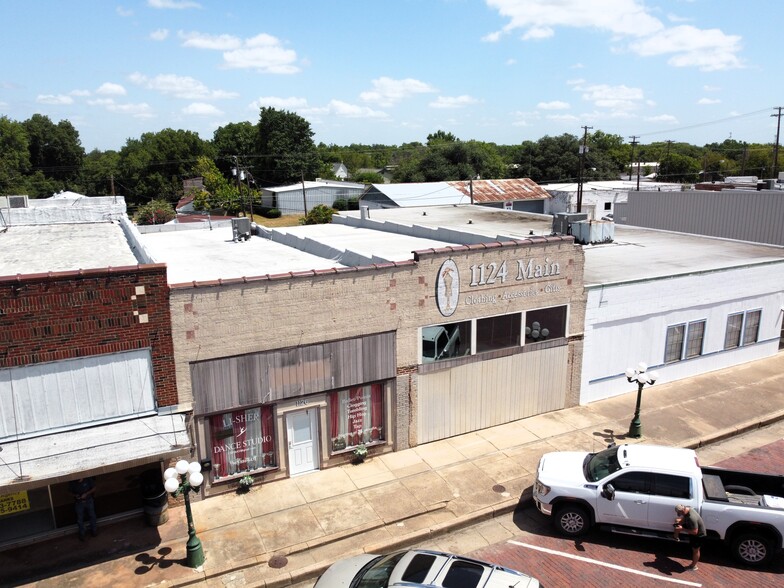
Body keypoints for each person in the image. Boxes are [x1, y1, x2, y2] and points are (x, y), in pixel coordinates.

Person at [673, 504, 706, 570]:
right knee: (677, 523)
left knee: (695, 550)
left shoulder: (691, 518)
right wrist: (679, 524)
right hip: (692, 530)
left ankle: (693, 566)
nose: (679, 514)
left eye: (679, 513)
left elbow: (695, 532)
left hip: (698, 535)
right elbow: (684, 518)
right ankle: (675, 537)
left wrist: (682, 529)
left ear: (682, 511)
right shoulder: (688, 510)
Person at [69, 477, 97, 541]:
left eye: (80, 479)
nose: (79, 480)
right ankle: (82, 534)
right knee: (80, 519)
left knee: (92, 515)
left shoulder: (87, 479)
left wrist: (86, 494)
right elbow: (69, 492)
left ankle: (94, 531)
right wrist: (75, 495)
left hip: (89, 500)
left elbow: (94, 488)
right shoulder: (73, 482)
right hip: (79, 502)